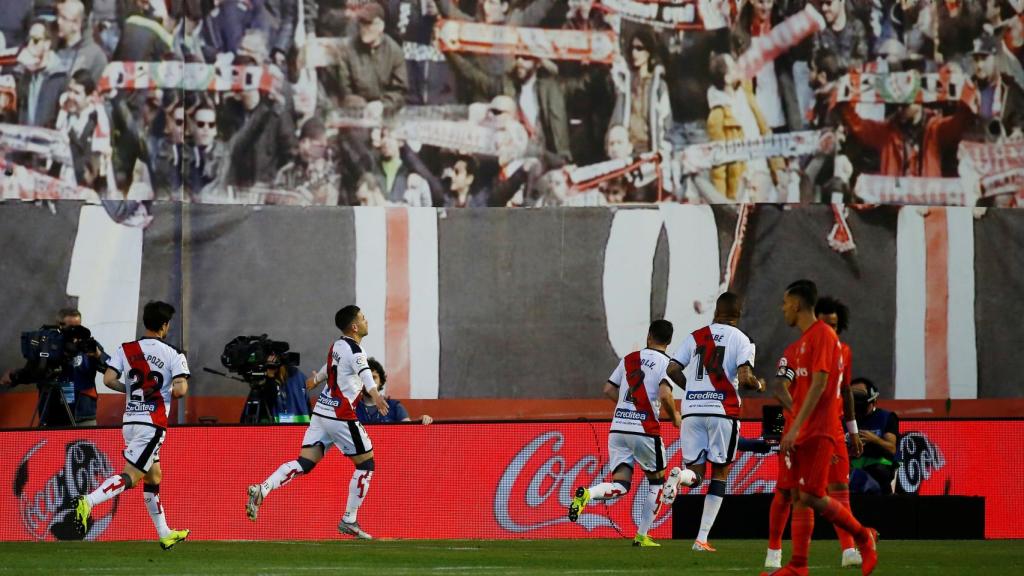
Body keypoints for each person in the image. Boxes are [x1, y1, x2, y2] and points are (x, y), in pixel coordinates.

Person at [761, 280, 877, 576]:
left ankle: (861, 538)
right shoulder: (799, 346)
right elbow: (783, 387)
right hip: (803, 430)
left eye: (785, 303)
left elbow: (821, 384)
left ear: (796, 304)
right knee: (797, 495)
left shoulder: (824, 337)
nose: (782, 308)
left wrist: (796, 425)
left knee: (812, 494)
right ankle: (797, 564)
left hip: (819, 429)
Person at [245, 305, 390, 540]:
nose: (366, 321)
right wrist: (376, 395)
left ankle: (264, 488)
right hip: (341, 416)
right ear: (354, 326)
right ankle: (349, 520)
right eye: (363, 318)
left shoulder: (337, 345)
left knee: (305, 462)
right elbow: (365, 375)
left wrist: (315, 380)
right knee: (366, 464)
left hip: (322, 413)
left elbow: (329, 367)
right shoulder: (356, 352)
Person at [73, 301, 191, 550]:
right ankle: (88, 501)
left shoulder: (126, 349)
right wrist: (163, 390)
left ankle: (165, 532)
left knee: (154, 475)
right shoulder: (173, 353)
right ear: (165, 325)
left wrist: (132, 392)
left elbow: (108, 379)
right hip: (153, 423)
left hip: (131, 422)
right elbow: (180, 390)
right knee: (132, 476)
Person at [567, 320, 695, 547]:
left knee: (621, 484)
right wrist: (675, 417)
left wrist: (625, 408)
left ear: (649, 336)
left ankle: (588, 493)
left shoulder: (629, 359)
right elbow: (665, 395)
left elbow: (608, 389)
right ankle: (642, 535)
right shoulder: (666, 363)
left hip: (618, 429)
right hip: (645, 430)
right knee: (657, 483)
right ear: (669, 341)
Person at [663, 292, 764, 553]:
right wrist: (758, 384)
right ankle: (702, 539)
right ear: (738, 313)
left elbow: (672, 369)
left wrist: (691, 390)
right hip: (722, 412)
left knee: (695, 475)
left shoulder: (696, 336)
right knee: (719, 474)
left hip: (692, 411)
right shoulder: (742, 339)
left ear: (716, 311)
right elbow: (744, 376)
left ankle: (679, 476)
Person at [1, 308, 108, 427]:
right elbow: (33, 372)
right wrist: (14, 376)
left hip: (83, 413)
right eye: (71, 327)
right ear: (59, 325)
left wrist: (98, 355)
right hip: (53, 413)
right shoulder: (47, 346)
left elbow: (111, 370)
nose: (75, 332)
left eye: (78, 326)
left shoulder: (89, 345)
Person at [850, 377, 899, 495]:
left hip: (879, 472)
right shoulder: (845, 421)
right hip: (850, 474)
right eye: (852, 395)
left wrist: (875, 439)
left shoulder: (886, 417)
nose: (855, 399)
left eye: (859, 395)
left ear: (871, 397)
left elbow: (891, 449)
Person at [355, 358, 433, 424]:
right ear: (359, 381)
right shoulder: (352, 408)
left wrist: (421, 421)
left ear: (381, 381)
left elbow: (409, 430)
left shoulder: (394, 406)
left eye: (374, 377)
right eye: (366, 378)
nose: (370, 382)